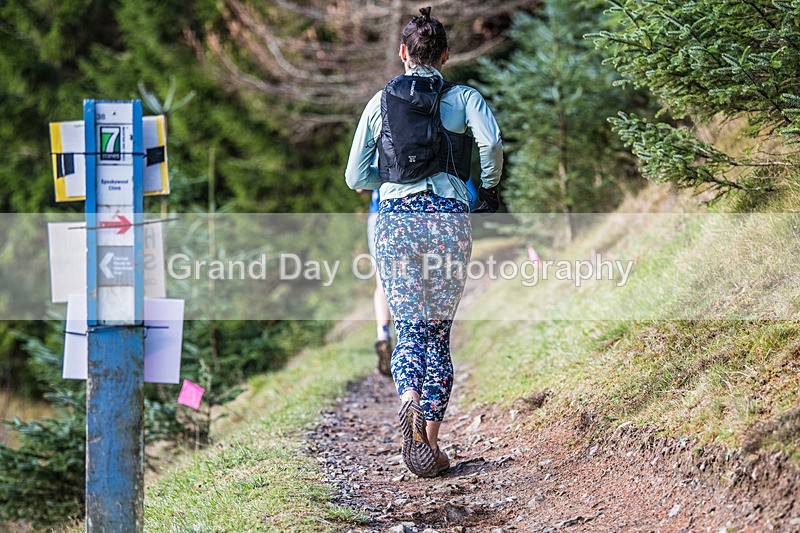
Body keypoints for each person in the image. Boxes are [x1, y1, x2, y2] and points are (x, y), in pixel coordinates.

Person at [345, 6, 503, 477]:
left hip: (395, 221)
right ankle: (430, 445)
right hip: (447, 220)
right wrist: (488, 187)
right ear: (446, 55)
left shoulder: (379, 103)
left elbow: (355, 174)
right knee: (437, 332)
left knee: (410, 327)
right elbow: (490, 144)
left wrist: (389, 180)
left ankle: (408, 398)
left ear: (402, 53)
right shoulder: (463, 98)